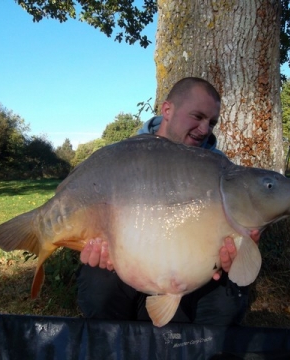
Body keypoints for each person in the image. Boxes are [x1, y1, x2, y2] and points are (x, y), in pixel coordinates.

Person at [77, 77, 260, 326]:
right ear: (167, 110)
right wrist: (93, 245)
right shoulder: (125, 157)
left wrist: (237, 250)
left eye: (212, 122)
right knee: (99, 286)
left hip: (188, 270)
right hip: (127, 262)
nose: (205, 130)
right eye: (197, 117)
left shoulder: (219, 169)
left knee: (228, 295)